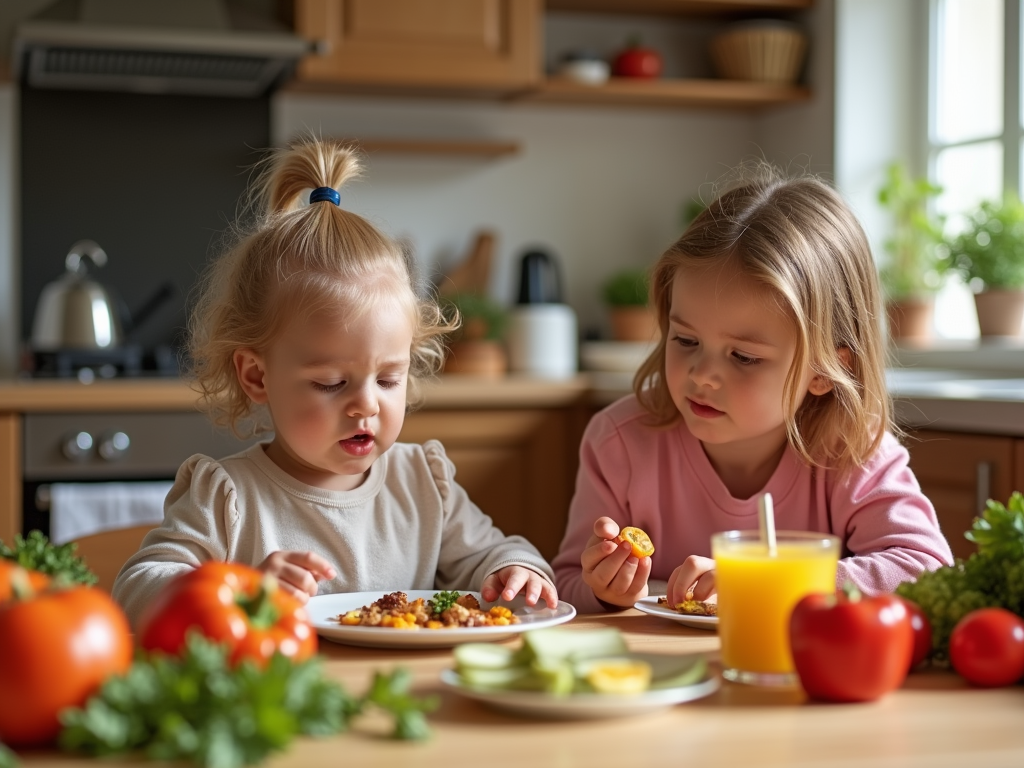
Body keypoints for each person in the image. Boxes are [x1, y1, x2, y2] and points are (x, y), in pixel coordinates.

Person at [113, 137, 557, 627]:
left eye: (388, 379)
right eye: (330, 383)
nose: (366, 405)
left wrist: (516, 570)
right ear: (256, 376)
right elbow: (138, 587)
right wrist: (237, 589)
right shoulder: (228, 497)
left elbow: (492, 555)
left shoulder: (423, 483)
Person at [552, 164, 954, 614]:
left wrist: (771, 578)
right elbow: (567, 583)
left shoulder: (851, 449)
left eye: (743, 357)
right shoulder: (619, 442)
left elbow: (926, 567)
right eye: (685, 340)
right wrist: (605, 592)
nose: (702, 374)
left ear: (824, 369)